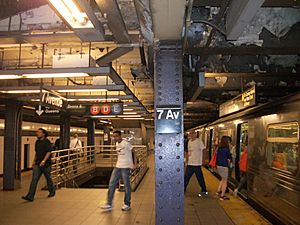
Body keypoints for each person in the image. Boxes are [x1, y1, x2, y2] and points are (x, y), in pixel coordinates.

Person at [101, 130, 137, 211]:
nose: (115, 138)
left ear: (120, 136)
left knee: (127, 186)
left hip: (126, 167)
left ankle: (127, 204)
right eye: (114, 136)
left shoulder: (126, 143)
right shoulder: (116, 144)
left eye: (116, 136)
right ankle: (109, 204)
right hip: (118, 166)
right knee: (111, 184)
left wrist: (135, 163)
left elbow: (134, 152)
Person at [22, 128, 55, 202]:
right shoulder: (37, 142)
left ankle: (52, 191)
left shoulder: (47, 142)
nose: (37, 133)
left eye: (39, 132)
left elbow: (49, 152)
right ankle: (30, 196)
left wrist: (44, 160)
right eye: (37, 132)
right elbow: (37, 152)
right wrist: (34, 161)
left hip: (46, 165)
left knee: (48, 179)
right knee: (34, 180)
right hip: (38, 164)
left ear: (43, 134)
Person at [184, 130, 208, 197]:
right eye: (190, 134)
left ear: (195, 134)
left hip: (197, 164)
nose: (191, 135)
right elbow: (188, 151)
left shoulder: (199, 141)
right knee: (186, 178)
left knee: (200, 178)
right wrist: (186, 160)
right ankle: (183, 189)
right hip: (190, 163)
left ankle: (204, 190)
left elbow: (204, 150)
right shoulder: (189, 141)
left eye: (193, 134)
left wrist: (203, 160)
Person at [216, 136, 232, 200]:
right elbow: (228, 158)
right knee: (225, 180)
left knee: (222, 179)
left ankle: (218, 191)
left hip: (218, 165)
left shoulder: (219, 148)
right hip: (224, 166)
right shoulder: (226, 149)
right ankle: (222, 196)